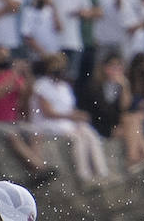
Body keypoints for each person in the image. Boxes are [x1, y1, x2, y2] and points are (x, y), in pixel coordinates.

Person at [0, 46, 53, 182]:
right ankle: (39, 167)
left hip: (11, 122)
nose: (4, 59)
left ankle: (36, 165)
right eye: (0, 56)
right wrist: (15, 73)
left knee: (36, 133)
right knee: (12, 135)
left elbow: (27, 95)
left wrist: (28, 75)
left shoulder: (13, 77)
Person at [30, 52, 110, 184]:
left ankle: (102, 172)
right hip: (48, 123)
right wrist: (72, 116)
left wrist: (79, 115)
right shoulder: (41, 85)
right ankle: (83, 174)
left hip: (66, 122)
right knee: (77, 138)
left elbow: (70, 108)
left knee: (89, 133)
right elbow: (48, 112)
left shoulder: (64, 87)